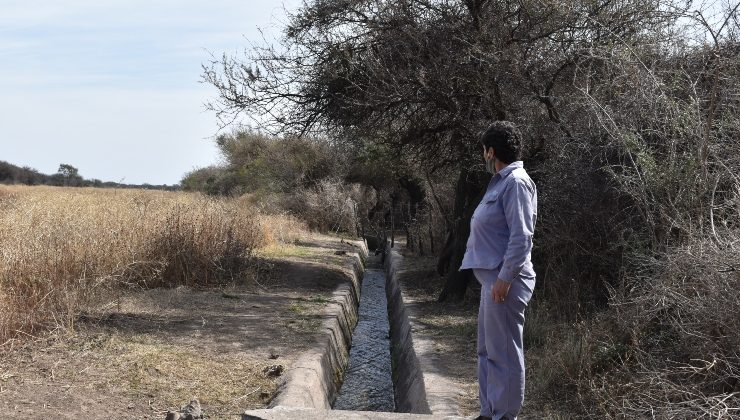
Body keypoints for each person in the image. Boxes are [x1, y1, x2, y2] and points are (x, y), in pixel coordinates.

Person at [460, 121, 537, 420]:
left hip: (505, 283)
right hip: (491, 281)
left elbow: (522, 236)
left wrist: (505, 279)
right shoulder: (502, 181)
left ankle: (504, 416)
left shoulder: (516, 182)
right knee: (487, 351)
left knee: (504, 353)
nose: (484, 157)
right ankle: (488, 411)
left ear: (491, 151)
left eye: (484, 151)